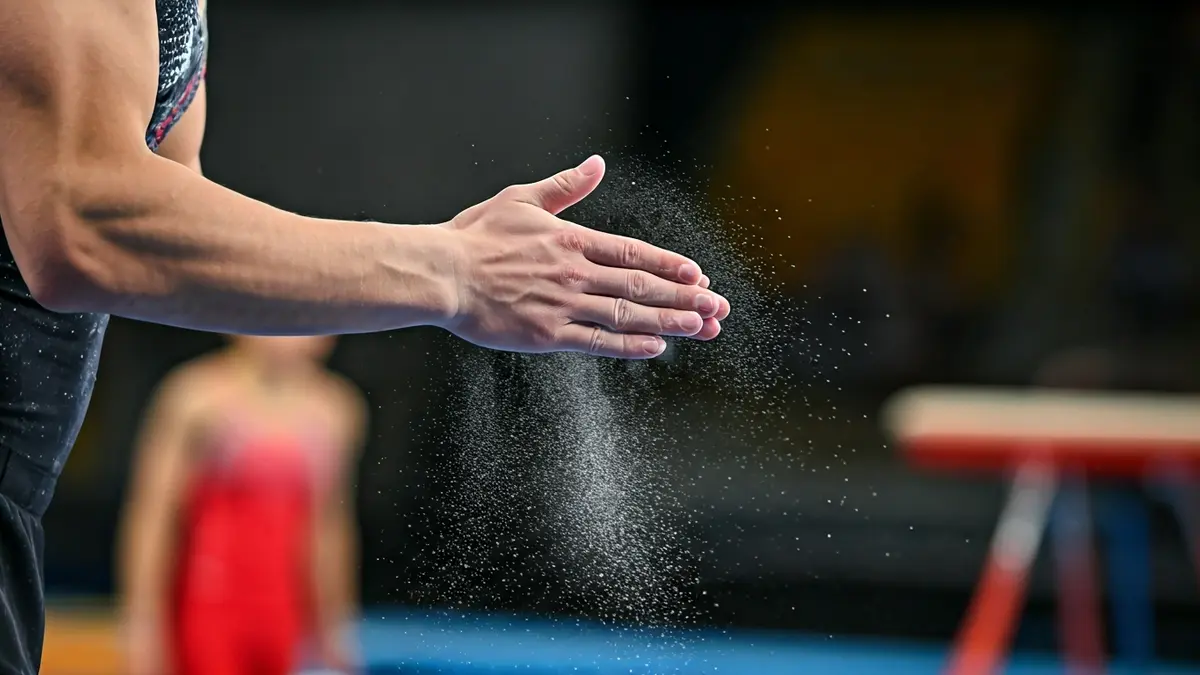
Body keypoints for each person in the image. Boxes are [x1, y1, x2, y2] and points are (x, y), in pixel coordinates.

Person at [0, 1, 730, 673]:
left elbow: (163, 237)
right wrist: (452, 270)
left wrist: (455, 265)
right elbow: (81, 223)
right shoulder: (199, 400)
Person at [118, 335, 364, 675]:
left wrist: (336, 623)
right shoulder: (195, 397)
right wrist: (141, 622)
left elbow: (330, 529)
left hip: (284, 611)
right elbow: (153, 516)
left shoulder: (336, 410)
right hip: (209, 608)